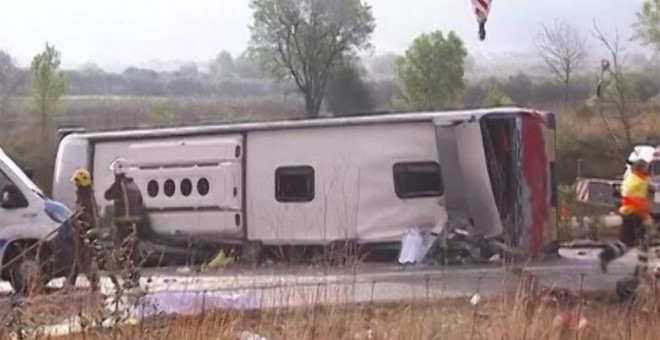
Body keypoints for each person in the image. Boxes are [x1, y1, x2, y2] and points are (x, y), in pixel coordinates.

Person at [599, 159, 654, 273]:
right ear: (641, 169)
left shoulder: (629, 179)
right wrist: (646, 218)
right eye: (646, 168)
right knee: (639, 242)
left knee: (628, 242)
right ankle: (641, 269)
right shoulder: (640, 182)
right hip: (635, 215)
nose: (648, 171)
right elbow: (639, 204)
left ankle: (608, 254)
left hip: (627, 213)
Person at [104, 158, 143, 289]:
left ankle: (128, 280)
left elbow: (107, 195)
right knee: (133, 252)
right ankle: (135, 279)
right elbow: (140, 201)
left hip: (122, 223)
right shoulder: (133, 185)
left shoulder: (118, 185)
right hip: (134, 224)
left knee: (124, 252)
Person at [67, 168, 100, 292]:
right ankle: (71, 282)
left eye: (77, 182)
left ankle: (94, 283)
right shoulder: (84, 196)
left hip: (86, 232)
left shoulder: (86, 198)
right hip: (83, 231)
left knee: (84, 258)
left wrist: (79, 221)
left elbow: (88, 216)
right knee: (78, 257)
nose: (75, 185)